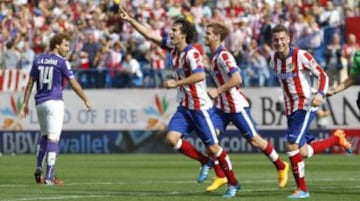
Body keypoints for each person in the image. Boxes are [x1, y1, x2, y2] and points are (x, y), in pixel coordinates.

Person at [119, 8, 240, 198]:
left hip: (200, 108)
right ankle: (204, 162)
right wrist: (131, 20)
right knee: (171, 139)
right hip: (185, 107)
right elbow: (151, 35)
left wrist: (176, 82)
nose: (171, 32)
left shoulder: (192, 53)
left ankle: (234, 183)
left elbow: (200, 75)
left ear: (183, 34)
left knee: (214, 148)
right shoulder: (173, 49)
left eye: (175, 30)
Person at [203, 22, 289, 192]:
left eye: (208, 33)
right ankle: (220, 176)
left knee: (255, 140)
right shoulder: (213, 57)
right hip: (221, 107)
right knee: (209, 138)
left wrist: (217, 90)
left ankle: (281, 165)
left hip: (235, 106)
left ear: (217, 37)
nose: (205, 36)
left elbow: (237, 79)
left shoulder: (224, 56)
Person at [270, 24, 352, 199]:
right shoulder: (274, 61)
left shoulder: (300, 55)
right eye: (276, 40)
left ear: (288, 39)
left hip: (306, 104)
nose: (279, 42)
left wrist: (320, 94)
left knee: (291, 146)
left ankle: (302, 189)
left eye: (282, 39)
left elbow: (322, 75)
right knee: (302, 152)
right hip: (291, 109)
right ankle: (336, 138)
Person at [20, 33, 92, 185]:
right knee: (53, 138)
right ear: (57, 45)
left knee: (45, 136)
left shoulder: (38, 59)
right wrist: (85, 99)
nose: (68, 48)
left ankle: (39, 168)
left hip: (39, 103)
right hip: (54, 102)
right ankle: (49, 177)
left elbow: (30, 83)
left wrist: (24, 104)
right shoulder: (61, 62)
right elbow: (73, 83)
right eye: (65, 45)